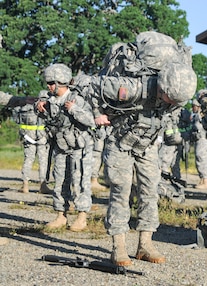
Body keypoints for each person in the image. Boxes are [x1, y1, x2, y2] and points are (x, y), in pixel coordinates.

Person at [94, 62, 197, 266]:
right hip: (120, 142)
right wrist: (97, 114)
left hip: (147, 145)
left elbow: (168, 118)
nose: (175, 103)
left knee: (150, 191)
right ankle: (118, 247)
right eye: (172, 98)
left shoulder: (175, 96)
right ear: (162, 87)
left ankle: (145, 245)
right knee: (121, 192)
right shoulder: (134, 87)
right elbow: (92, 86)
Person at [36, 63, 95, 232]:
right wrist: (40, 107)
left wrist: (74, 109)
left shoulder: (77, 99)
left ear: (61, 82)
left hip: (79, 147)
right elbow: (41, 110)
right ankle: (61, 215)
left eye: (51, 83)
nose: (48, 86)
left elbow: (91, 121)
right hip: (61, 146)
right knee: (60, 181)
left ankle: (82, 216)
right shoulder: (50, 100)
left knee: (80, 181)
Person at [14, 90, 51, 194]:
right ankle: (43, 185)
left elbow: (17, 120)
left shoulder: (25, 108)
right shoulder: (48, 107)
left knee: (28, 160)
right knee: (43, 161)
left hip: (28, 137)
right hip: (42, 137)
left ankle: (25, 185)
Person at [191, 96, 207, 189]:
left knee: (202, 159)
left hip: (203, 139)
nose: (192, 108)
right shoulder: (195, 115)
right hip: (198, 139)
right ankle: (202, 179)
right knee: (199, 159)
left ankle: (205, 181)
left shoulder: (201, 115)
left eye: (194, 106)